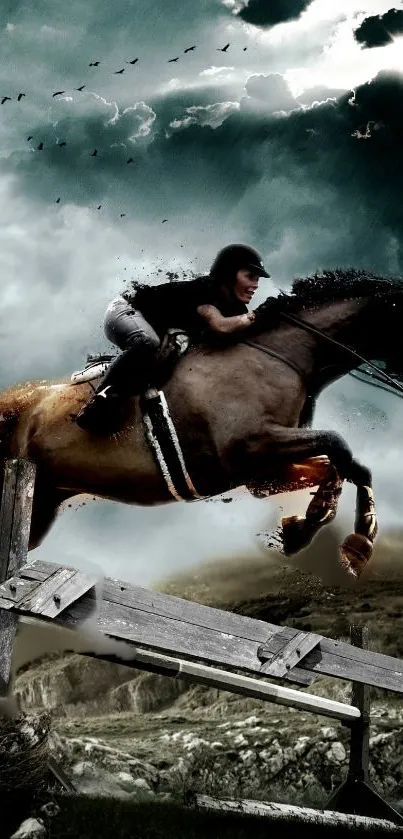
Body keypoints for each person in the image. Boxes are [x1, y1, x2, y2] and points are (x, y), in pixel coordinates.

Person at [75, 243, 270, 434]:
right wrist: (257, 315)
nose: (255, 285)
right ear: (229, 274)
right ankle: (95, 404)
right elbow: (220, 324)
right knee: (147, 341)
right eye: (251, 277)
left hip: (147, 326)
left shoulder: (236, 309)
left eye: (258, 280)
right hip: (123, 309)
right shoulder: (206, 289)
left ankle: (111, 366)